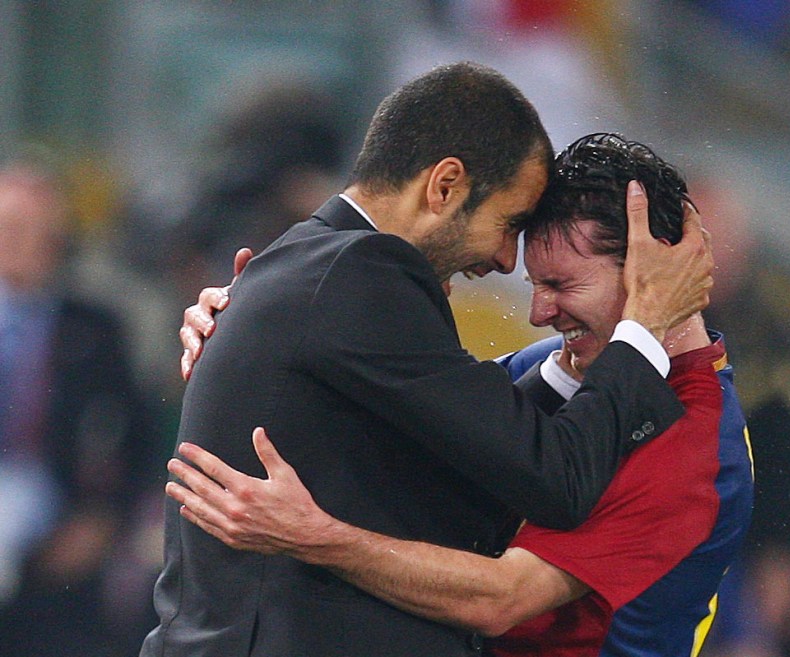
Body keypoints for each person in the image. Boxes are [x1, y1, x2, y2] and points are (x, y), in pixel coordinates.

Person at [142, 63, 714, 657]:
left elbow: (470, 442)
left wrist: (579, 362)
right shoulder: (362, 278)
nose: (503, 258)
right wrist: (643, 325)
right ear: (444, 187)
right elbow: (556, 478)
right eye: (510, 224)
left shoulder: (304, 267)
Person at [0, 159, 157, 656]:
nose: (26, 244)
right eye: (11, 229)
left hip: (60, 546)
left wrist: (103, 520)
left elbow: (139, 434)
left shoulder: (95, 327)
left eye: (42, 231)